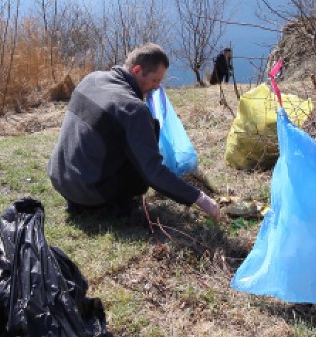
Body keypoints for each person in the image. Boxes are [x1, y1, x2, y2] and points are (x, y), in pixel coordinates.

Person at [48, 43, 221, 221]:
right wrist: (199, 198)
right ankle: (113, 207)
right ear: (137, 70)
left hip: (60, 179)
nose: (156, 88)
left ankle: (85, 196)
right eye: (155, 81)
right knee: (142, 163)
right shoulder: (132, 109)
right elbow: (153, 172)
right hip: (90, 192)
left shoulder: (92, 78)